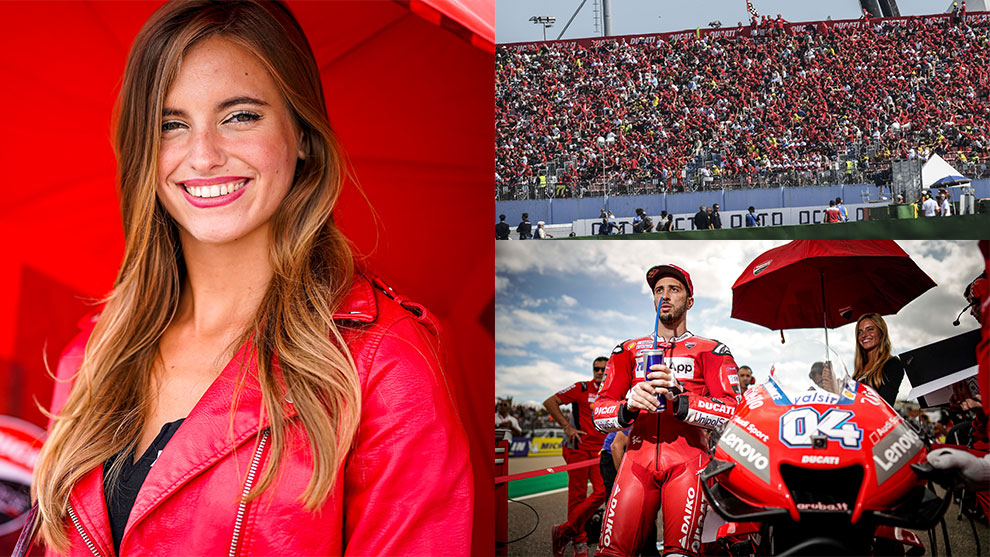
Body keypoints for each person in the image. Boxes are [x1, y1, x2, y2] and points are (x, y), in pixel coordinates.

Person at [29, 2, 472, 555]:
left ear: (303, 133)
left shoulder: (383, 366)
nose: (204, 155)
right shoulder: (90, 357)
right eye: (170, 124)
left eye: (240, 116)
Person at [593, 264, 739, 557]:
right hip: (636, 463)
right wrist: (628, 406)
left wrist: (681, 398)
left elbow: (732, 412)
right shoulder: (627, 350)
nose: (665, 295)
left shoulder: (711, 350)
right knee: (611, 553)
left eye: (674, 289)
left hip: (688, 463)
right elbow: (599, 414)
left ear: (689, 301)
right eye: (659, 290)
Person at [549, 358, 610, 557]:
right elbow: (550, 402)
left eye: (603, 369)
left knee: (602, 492)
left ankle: (564, 531)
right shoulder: (581, 387)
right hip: (579, 450)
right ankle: (580, 543)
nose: (600, 372)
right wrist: (567, 427)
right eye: (596, 369)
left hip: (599, 453)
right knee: (577, 496)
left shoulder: (612, 391)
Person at [853, 313, 905, 406]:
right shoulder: (859, 368)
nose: (864, 335)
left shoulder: (892, 364)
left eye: (870, 329)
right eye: (860, 332)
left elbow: (885, 405)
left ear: (881, 332)